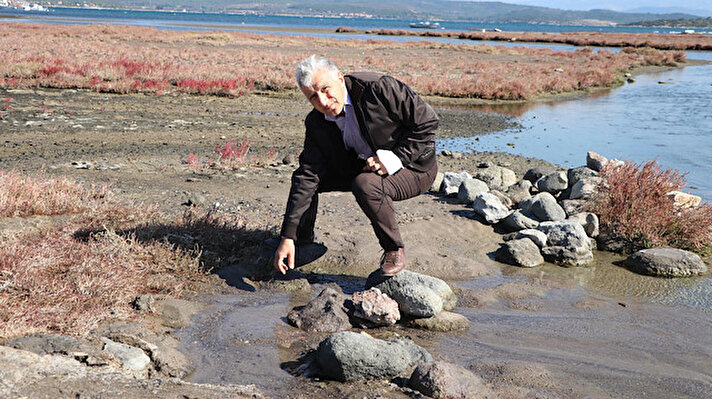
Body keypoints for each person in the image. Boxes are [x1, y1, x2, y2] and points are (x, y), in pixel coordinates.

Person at [273, 55, 438, 276]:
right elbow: (308, 175)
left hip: (415, 167)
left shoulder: (379, 88)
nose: (322, 101)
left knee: (365, 185)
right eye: (312, 97)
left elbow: (427, 122)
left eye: (325, 89)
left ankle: (393, 249)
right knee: (307, 178)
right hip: (362, 164)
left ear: (340, 78)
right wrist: (287, 236)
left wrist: (394, 158)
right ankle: (301, 241)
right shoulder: (316, 121)